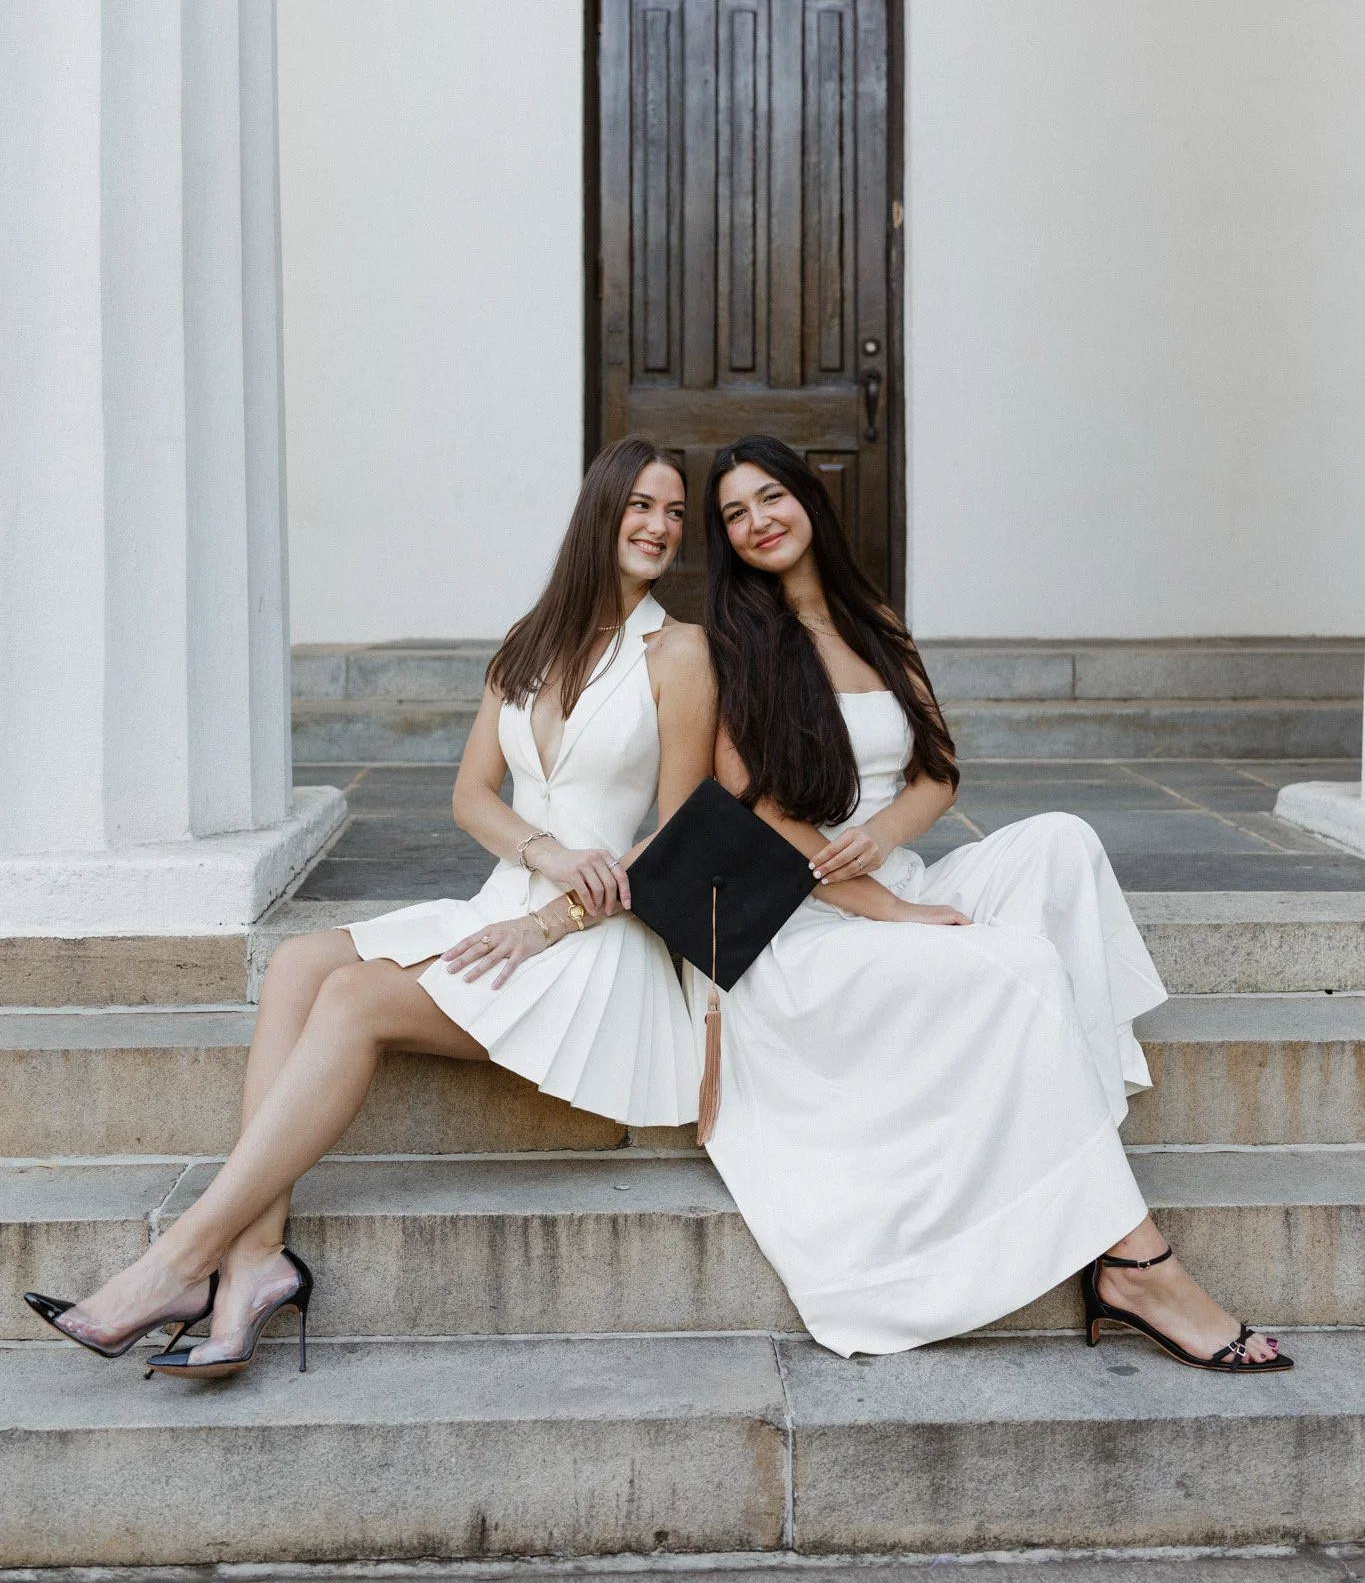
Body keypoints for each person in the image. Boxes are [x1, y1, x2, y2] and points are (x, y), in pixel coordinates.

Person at [24, 438, 714, 1376]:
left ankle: (179, 1263)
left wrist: (547, 915)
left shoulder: (679, 653)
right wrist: (542, 852)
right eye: (641, 504)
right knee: (299, 962)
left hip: (594, 939)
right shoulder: (530, 638)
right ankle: (255, 1262)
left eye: (674, 512)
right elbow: (471, 795)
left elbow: (676, 840)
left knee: (351, 997)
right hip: (507, 897)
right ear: (602, 509)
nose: (660, 526)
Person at [695, 433, 1289, 1371]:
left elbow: (936, 774)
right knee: (1018, 961)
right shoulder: (732, 646)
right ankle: (1134, 1262)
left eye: (770, 496)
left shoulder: (874, 622)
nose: (757, 521)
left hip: (893, 873)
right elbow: (759, 815)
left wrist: (883, 840)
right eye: (734, 513)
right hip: (803, 919)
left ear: (808, 498)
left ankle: (1063, 1126)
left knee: (1061, 841)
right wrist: (886, 908)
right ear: (725, 539)